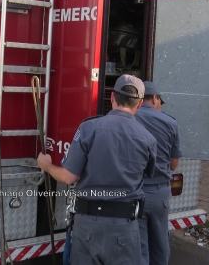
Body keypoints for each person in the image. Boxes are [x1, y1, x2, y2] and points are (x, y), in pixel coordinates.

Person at [38, 74, 157, 265]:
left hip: (88, 226)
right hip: (125, 228)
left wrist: (47, 165)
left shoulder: (89, 128)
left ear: (111, 97)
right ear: (140, 103)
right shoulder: (148, 138)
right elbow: (148, 174)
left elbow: (68, 177)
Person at [135, 81, 183, 265]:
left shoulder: (130, 118)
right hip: (160, 193)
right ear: (155, 98)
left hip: (135, 191)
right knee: (160, 244)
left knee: (140, 246)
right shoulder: (170, 122)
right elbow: (173, 164)